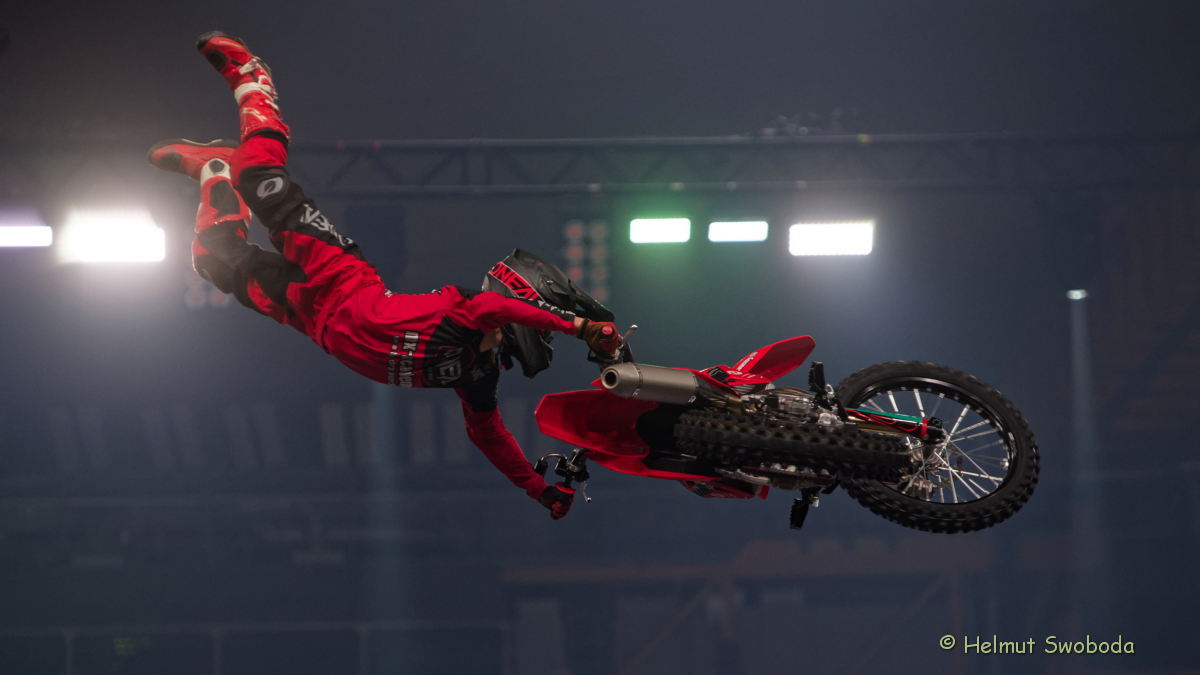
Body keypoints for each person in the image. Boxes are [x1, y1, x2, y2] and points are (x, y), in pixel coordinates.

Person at [148, 32, 621, 519]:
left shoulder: (478, 375)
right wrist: (579, 326)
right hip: (336, 273)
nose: (537, 343)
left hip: (308, 316)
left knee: (211, 258)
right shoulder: (471, 311)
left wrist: (537, 490)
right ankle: (253, 80)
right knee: (258, 177)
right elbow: (496, 306)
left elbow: (489, 435)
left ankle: (213, 168)